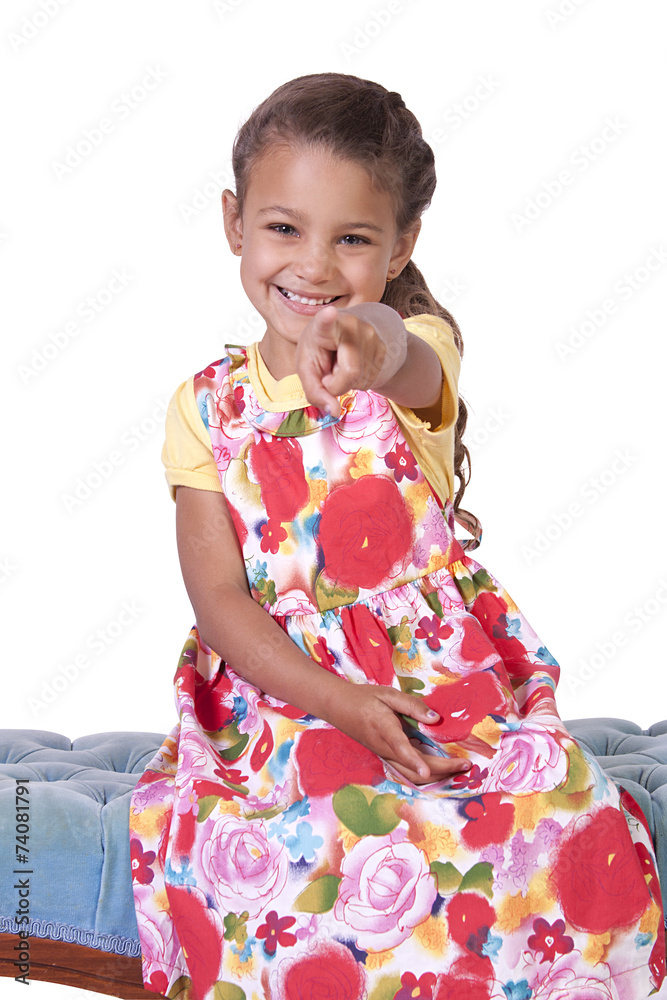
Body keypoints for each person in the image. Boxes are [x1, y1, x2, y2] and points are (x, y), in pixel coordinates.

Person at [128, 73, 664, 1000]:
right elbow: (218, 601)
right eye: (284, 228)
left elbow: (400, 352)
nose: (314, 265)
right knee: (300, 846)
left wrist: (370, 345)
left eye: (353, 239)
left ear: (400, 245)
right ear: (233, 223)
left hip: (433, 675)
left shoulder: (410, 351)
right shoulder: (204, 409)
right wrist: (335, 699)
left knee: (538, 816)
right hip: (282, 686)